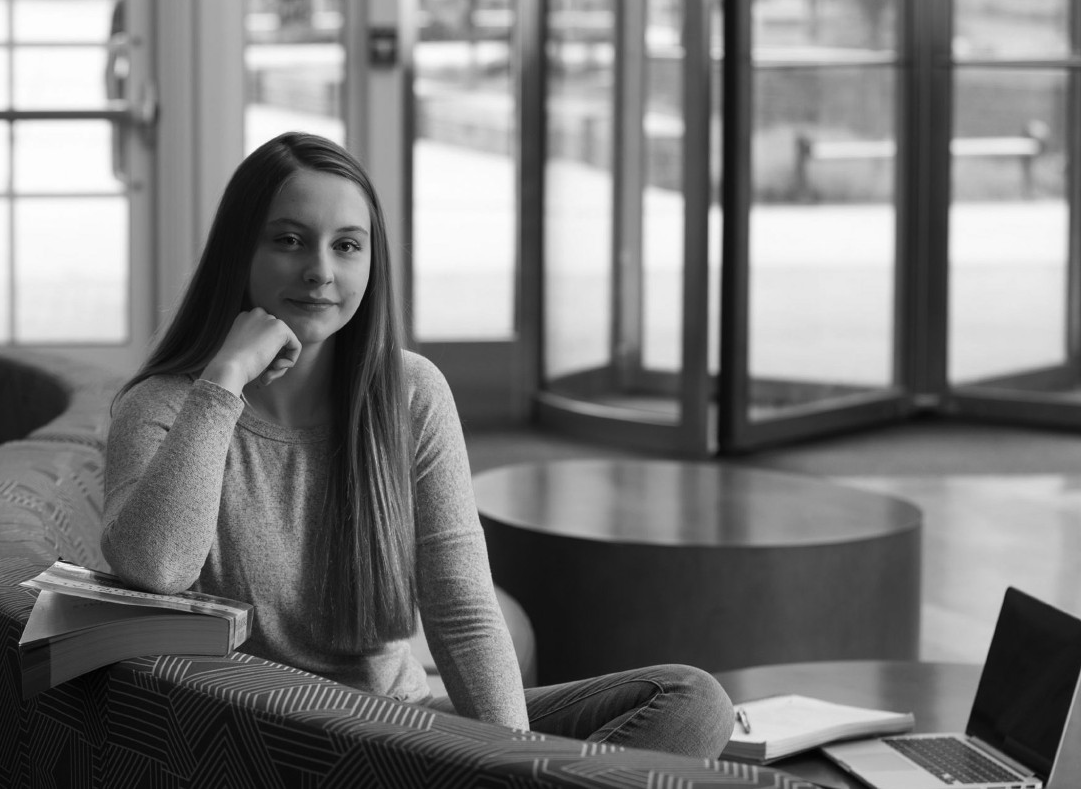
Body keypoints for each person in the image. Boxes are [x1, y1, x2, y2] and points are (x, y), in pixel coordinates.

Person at [101, 131, 735, 756]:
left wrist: (510, 767)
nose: (320, 271)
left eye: (347, 246)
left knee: (691, 702)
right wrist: (224, 382)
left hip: (405, 733)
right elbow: (155, 568)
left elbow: (462, 610)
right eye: (288, 240)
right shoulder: (164, 406)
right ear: (239, 252)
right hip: (273, 746)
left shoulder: (410, 392)